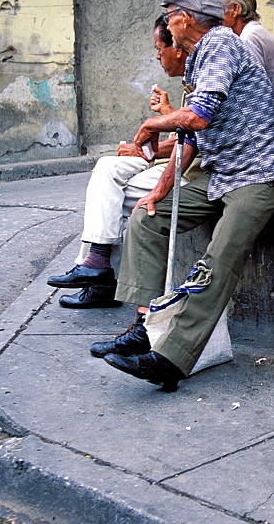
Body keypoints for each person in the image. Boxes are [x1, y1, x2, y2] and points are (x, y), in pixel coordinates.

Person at [90, 0, 274, 389]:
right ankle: (145, 325)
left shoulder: (221, 44)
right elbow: (191, 139)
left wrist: (151, 123)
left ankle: (171, 360)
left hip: (254, 174)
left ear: (183, 19)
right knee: (146, 220)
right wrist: (161, 190)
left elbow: (198, 117)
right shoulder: (199, 57)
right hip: (219, 172)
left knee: (217, 263)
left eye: (170, 15)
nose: (168, 25)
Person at [46, 16, 199, 308]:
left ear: (177, 48)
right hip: (173, 160)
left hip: (192, 170)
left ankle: (98, 271)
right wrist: (152, 137)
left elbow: (194, 137)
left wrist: (160, 123)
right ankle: (97, 265)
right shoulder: (191, 75)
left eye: (160, 48)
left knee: (108, 199)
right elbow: (186, 131)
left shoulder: (207, 71)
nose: (157, 55)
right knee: (106, 167)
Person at [218, 0, 274, 105]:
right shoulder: (253, 33)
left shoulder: (248, 38)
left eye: (218, 9)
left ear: (235, 9)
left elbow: (253, 92)